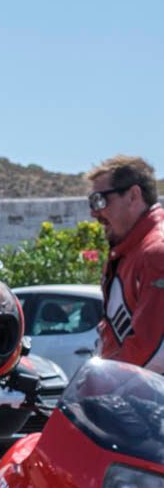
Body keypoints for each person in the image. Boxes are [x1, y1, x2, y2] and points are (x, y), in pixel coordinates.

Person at [87, 155, 164, 372]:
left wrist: (103, 386)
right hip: (135, 397)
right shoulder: (128, 251)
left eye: (100, 200)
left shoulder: (156, 253)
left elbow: (151, 350)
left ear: (133, 195)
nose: (94, 212)